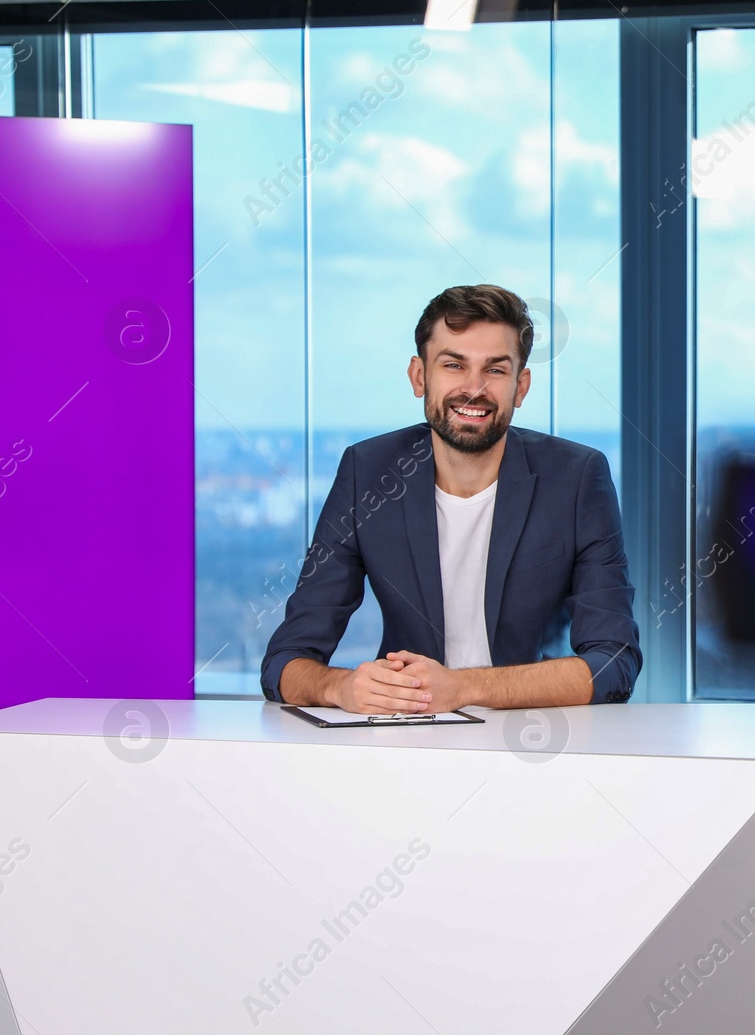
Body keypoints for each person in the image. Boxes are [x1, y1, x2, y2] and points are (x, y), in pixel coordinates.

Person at [260, 285, 640, 714]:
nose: (473, 389)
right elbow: (284, 664)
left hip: (537, 731)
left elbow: (614, 664)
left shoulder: (576, 478)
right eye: (454, 365)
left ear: (521, 386)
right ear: (419, 376)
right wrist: (343, 688)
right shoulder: (367, 472)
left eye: (495, 370)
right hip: (410, 735)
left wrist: (461, 688)